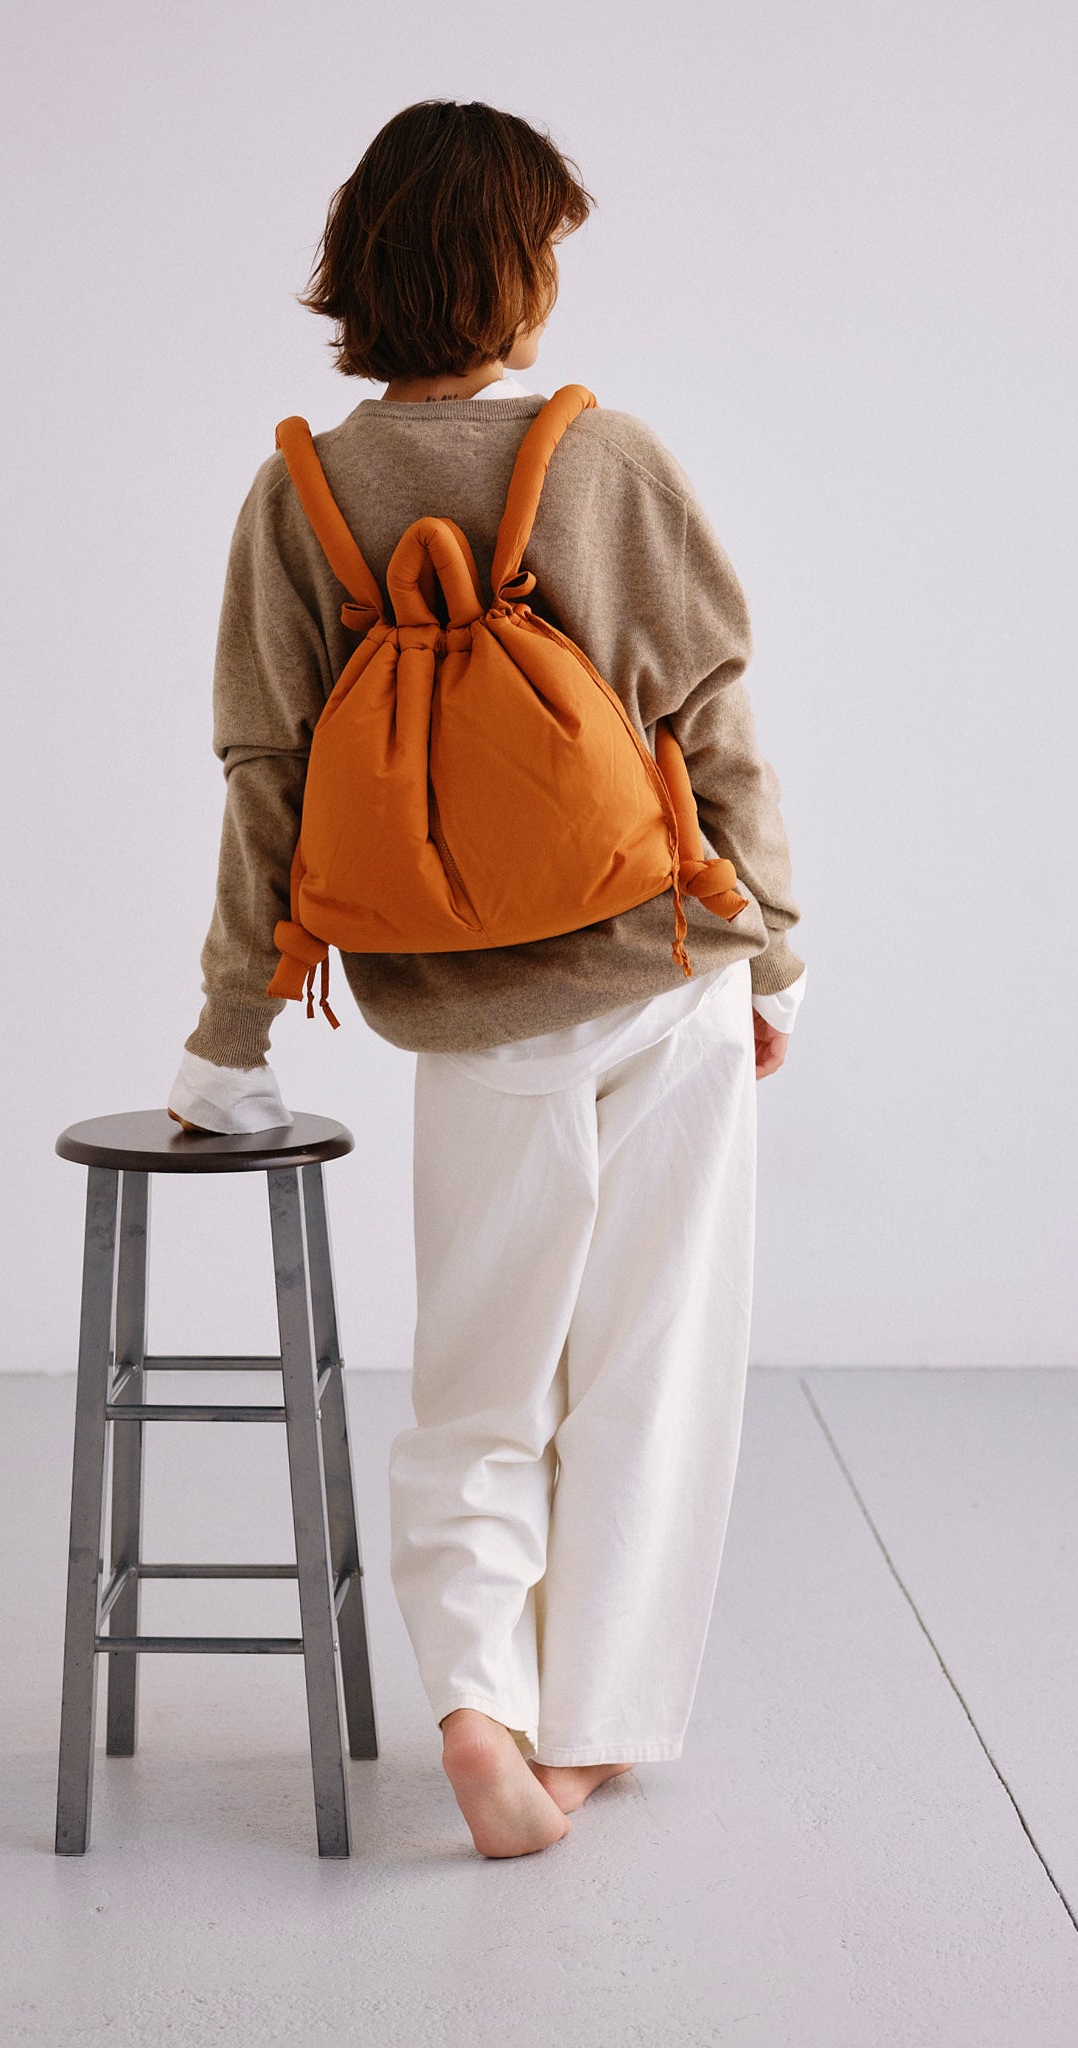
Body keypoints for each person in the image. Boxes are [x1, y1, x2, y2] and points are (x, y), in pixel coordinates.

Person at [169, 99, 806, 1858]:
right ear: (516, 273)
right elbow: (715, 727)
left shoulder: (302, 493)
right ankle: (580, 1741)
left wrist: (229, 1043)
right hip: (662, 973)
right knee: (651, 1372)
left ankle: (473, 1705)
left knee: (477, 1379)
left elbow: (267, 787)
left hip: (466, 1015)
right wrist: (775, 951)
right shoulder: (607, 458)